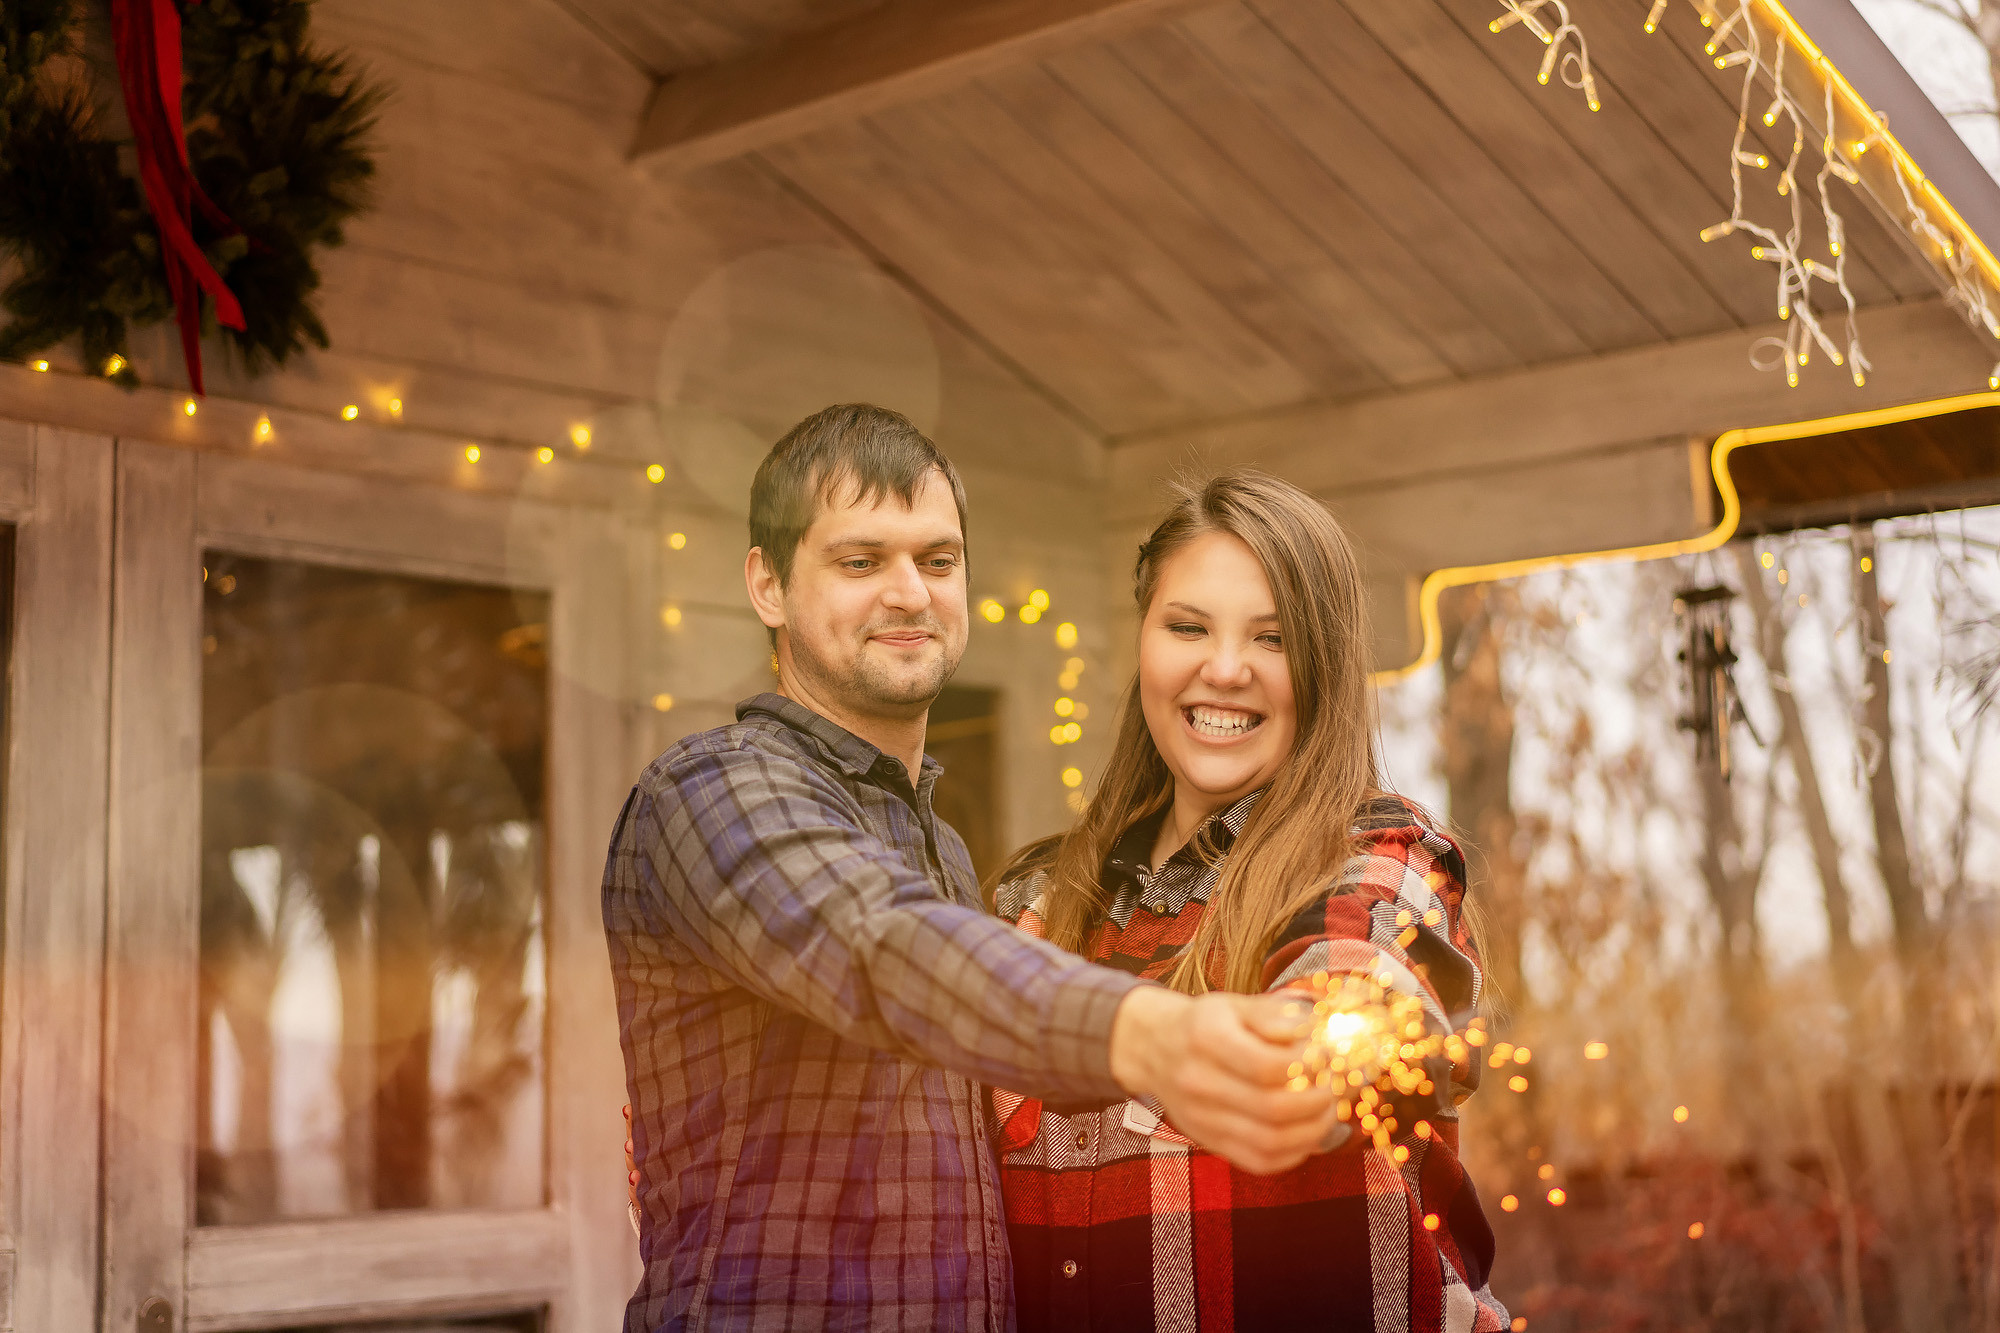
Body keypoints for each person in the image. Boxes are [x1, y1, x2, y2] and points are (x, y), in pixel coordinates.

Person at [603, 406, 1342, 1333]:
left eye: (937, 560)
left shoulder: (945, 851)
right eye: (861, 561)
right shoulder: (708, 792)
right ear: (768, 584)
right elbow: (874, 942)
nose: (910, 593)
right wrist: (1155, 1035)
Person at [987, 471, 1509, 1332]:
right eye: (1187, 625)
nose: (1223, 669)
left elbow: (1360, 980)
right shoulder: (1034, 899)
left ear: (1325, 666)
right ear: (1144, 640)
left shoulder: (1381, 857)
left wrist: (1318, 1055)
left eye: (1272, 638)